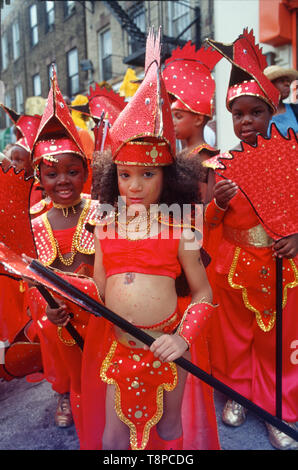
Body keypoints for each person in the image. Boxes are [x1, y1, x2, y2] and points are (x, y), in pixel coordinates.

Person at [75, 28, 220, 451]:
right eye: (124, 176)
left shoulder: (181, 229)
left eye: (148, 174)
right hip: (118, 351)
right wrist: (74, 297)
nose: (134, 187)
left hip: (168, 350)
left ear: (169, 177)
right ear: (111, 177)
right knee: (113, 440)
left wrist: (182, 338)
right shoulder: (104, 226)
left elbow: (204, 293)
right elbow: (101, 289)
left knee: (170, 434)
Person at [205, 30, 298, 450]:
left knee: (278, 341)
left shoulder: (293, 155)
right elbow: (202, 224)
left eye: (255, 112)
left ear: (272, 110)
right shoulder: (218, 165)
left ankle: (280, 409)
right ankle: (241, 396)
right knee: (236, 338)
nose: (246, 121)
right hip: (234, 268)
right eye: (238, 114)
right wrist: (218, 207)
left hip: (284, 269)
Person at [26, 69, 98, 433]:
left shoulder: (100, 213)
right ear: (40, 179)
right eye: (52, 174)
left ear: (85, 171)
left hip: (98, 312)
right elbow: (31, 279)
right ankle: (64, 393)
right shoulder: (34, 222)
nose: (63, 181)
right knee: (64, 359)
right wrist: (47, 308)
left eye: (72, 171)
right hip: (57, 315)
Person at [264, 64, 298, 136]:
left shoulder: (296, 109)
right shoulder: (259, 115)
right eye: (281, 81)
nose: (287, 84)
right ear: (269, 85)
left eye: (288, 81)